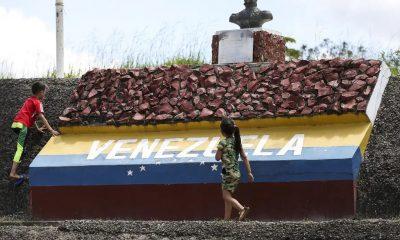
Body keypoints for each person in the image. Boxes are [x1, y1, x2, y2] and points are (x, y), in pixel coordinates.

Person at [9, 82, 60, 186]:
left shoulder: (29, 100)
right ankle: (13, 173)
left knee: (22, 147)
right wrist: (51, 130)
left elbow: (31, 117)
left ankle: (15, 172)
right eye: (44, 92)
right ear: (40, 92)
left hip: (16, 124)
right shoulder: (37, 102)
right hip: (23, 126)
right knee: (20, 149)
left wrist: (37, 128)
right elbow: (41, 116)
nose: (45, 94)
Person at [215, 117, 254, 221]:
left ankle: (241, 209)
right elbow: (244, 157)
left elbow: (217, 158)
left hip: (227, 173)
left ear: (222, 131)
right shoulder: (237, 142)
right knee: (228, 197)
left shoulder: (222, 143)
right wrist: (249, 172)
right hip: (237, 174)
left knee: (226, 197)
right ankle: (226, 220)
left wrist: (221, 151)